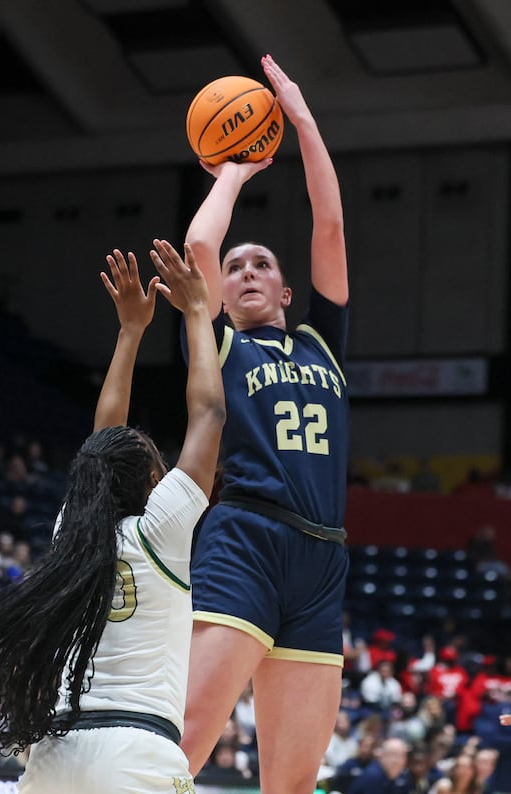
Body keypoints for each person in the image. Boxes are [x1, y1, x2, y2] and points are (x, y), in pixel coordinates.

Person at [0, 239, 225, 794]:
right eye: (160, 469)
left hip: (54, 755)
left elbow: (100, 444)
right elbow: (210, 414)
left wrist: (129, 333)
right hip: (133, 753)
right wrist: (195, 311)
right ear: (150, 484)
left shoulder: (74, 536)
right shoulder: (158, 532)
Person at [180, 53, 350, 794]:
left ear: (286, 287)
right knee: (178, 746)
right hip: (244, 539)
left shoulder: (321, 342)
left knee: (292, 785)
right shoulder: (222, 343)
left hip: (321, 560)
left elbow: (332, 222)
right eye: (238, 265)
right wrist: (236, 169)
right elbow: (198, 250)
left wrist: (302, 116)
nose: (245, 270)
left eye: (262, 263)